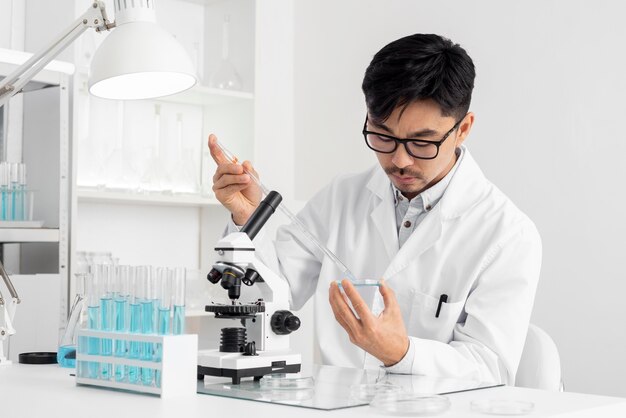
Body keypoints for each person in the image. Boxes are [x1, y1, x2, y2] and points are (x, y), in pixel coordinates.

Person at [208, 33, 541, 385]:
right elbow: (274, 293)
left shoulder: (508, 235)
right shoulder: (342, 196)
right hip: (334, 406)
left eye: (421, 142)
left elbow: (491, 370)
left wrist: (401, 353)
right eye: (382, 136)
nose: (399, 159)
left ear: (463, 130)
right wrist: (247, 220)